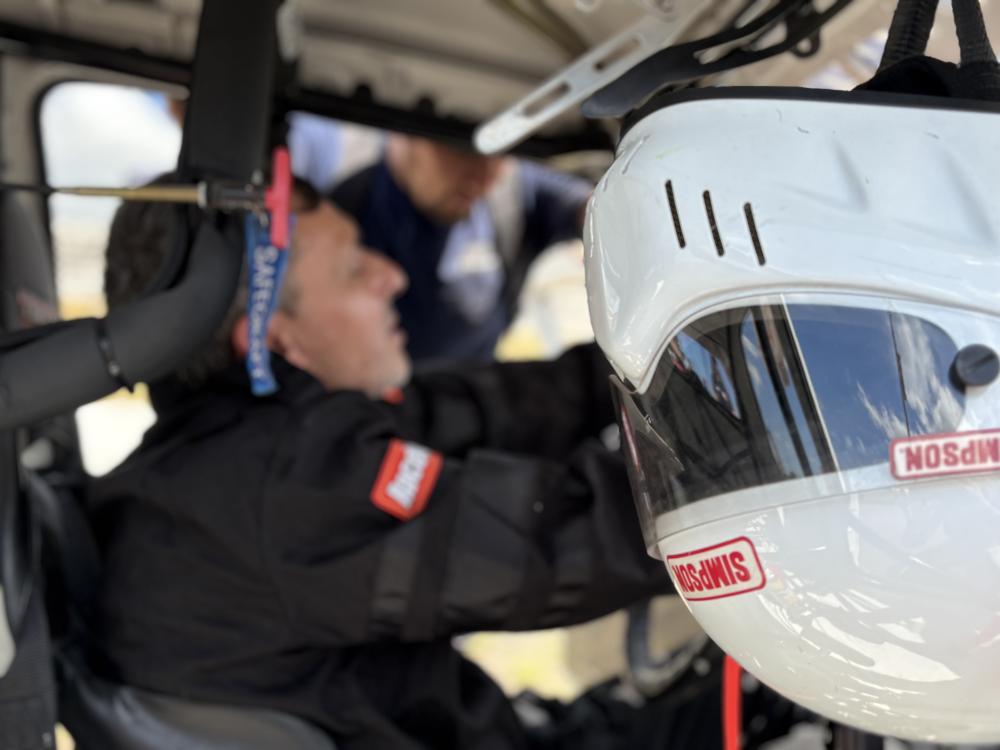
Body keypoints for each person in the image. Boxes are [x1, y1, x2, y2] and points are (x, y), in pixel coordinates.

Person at [89, 182, 674, 750]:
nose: (391, 275)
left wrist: (664, 359)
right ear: (276, 341)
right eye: (352, 269)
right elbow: (560, 546)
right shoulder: (281, 484)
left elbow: (491, 408)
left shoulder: (252, 440)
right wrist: (722, 461)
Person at [330, 135, 591, 363]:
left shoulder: (509, 192)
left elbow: (582, 205)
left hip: (476, 390)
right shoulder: (341, 220)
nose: (485, 175)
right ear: (401, 138)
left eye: (501, 154)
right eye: (463, 149)